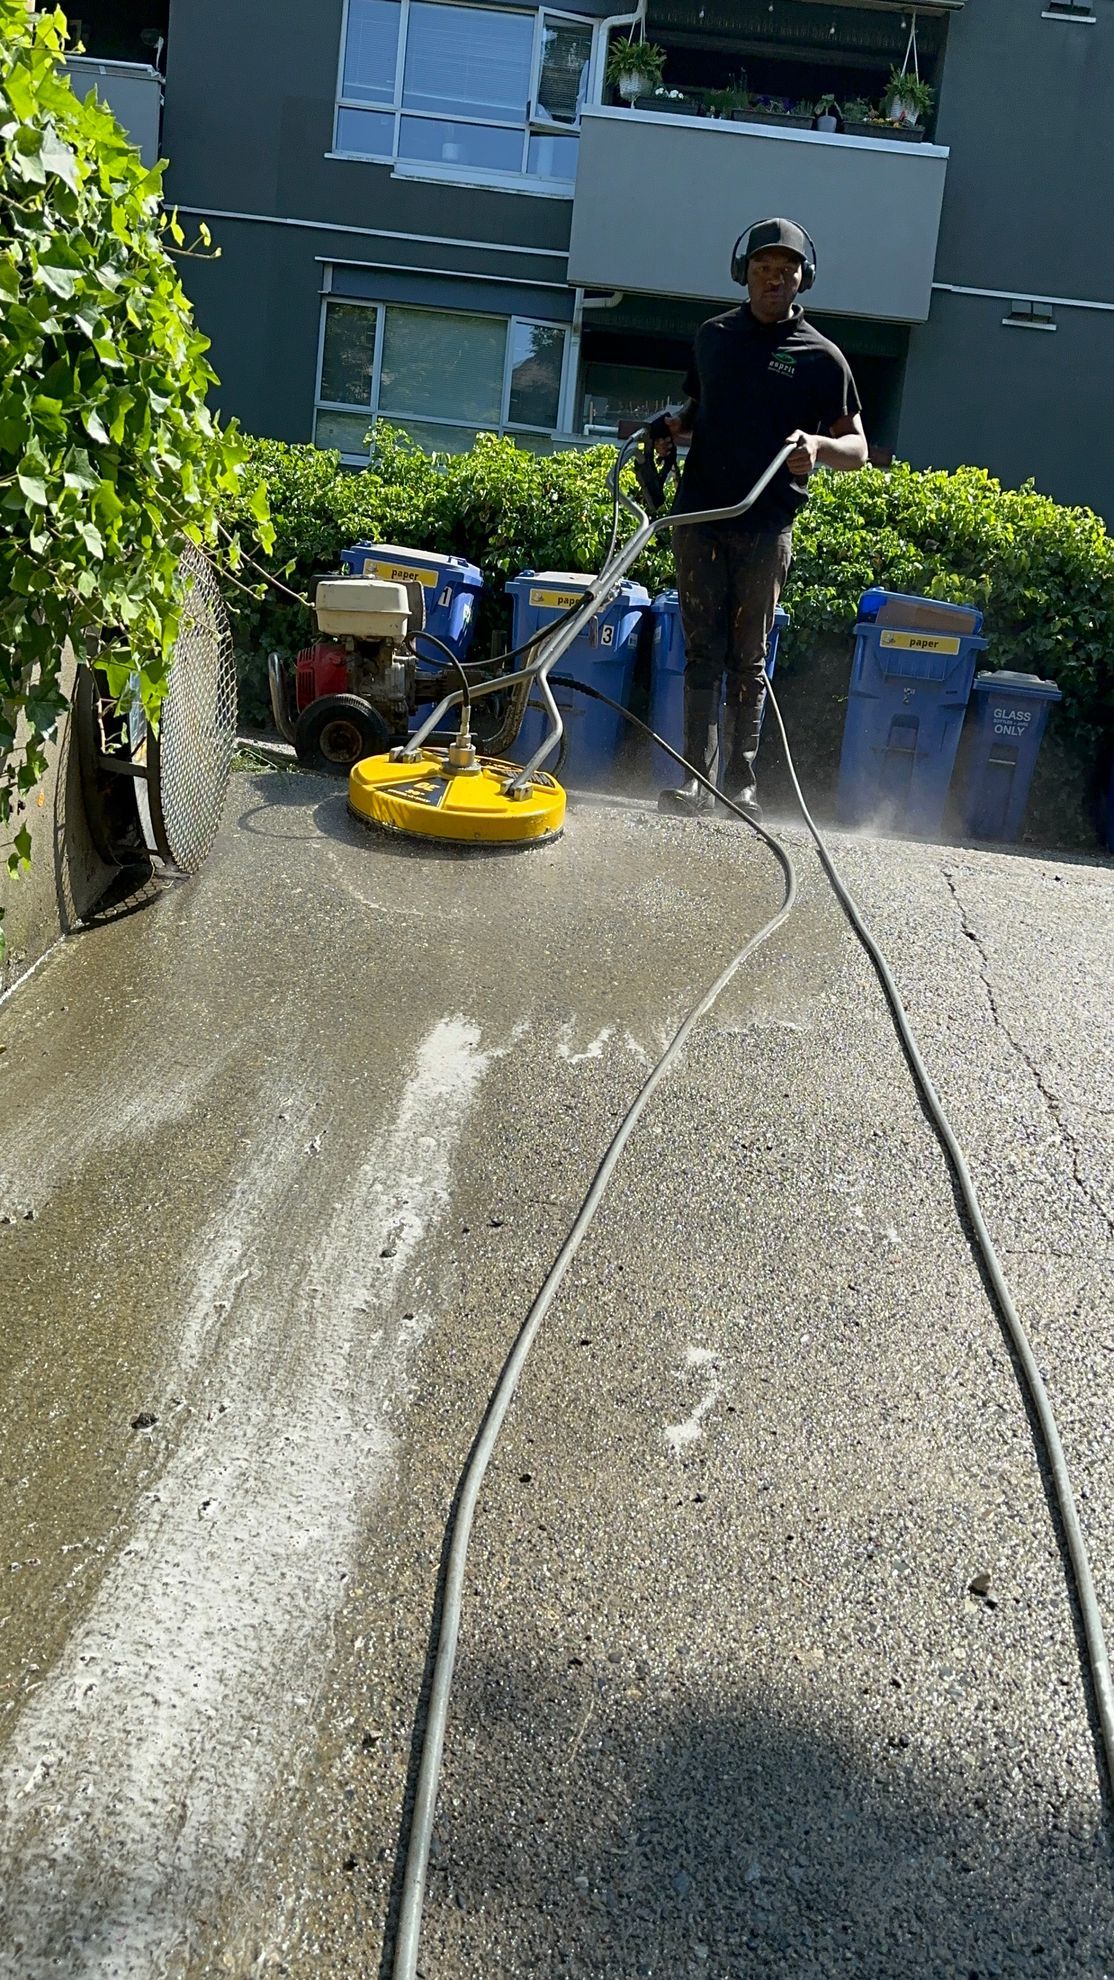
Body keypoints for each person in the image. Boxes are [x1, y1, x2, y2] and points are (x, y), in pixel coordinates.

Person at [655, 217, 868, 818]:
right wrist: (674, 428)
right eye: (762, 269)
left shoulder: (824, 359)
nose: (773, 280)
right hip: (699, 518)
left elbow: (856, 449)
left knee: (748, 657)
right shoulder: (713, 337)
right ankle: (695, 781)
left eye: (786, 270)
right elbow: (700, 412)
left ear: (804, 279)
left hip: (765, 523)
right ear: (743, 274)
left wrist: (818, 449)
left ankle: (739, 782)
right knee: (701, 651)